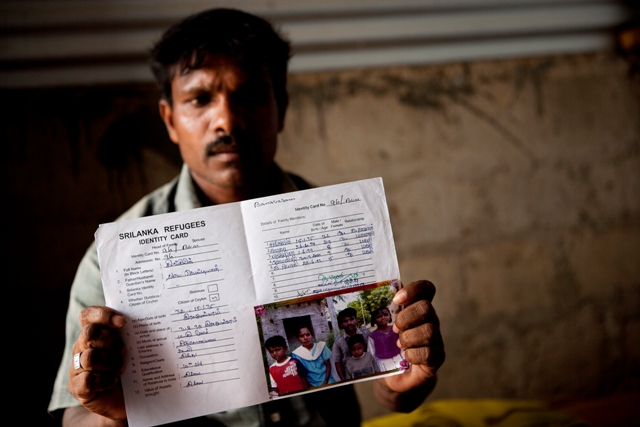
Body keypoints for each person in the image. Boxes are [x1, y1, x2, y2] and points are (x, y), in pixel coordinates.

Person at [49, 8, 445, 427]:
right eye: (200, 99)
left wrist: (408, 378)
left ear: (281, 107)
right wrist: (109, 413)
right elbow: (75, 418)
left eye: (251, 94)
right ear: (170, 119)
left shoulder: (339, 225)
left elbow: (388, 387)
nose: (227, 120)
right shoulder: (115, 260)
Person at [332, 307, 371, 381]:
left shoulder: (366, 334)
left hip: (369, 370)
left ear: (356, 320)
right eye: (345, 321)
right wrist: (344, 381)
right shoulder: (338, 343)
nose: (349, 323)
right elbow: (337, 363)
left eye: (351, 319)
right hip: (351, 375)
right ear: (341, 324)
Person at [368, 306, 403, 371]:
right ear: (374, 320)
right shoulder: (372, 336)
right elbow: (372, 354)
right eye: (379, 316)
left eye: (386, 315)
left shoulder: (395, 329)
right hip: (384, 364)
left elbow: (402, 346)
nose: (383, 317)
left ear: (390, 316)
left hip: (399, 359)